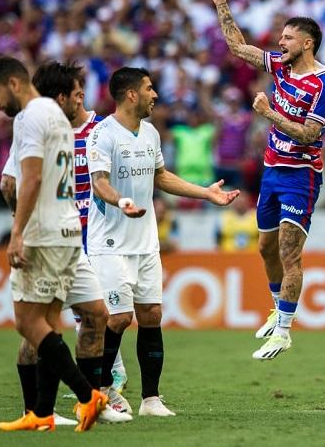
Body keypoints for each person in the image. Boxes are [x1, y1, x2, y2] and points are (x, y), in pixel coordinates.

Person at [88, 67, 239, 417]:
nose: (155, 95)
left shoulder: (151, 133)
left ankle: (151, 400)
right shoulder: (102, 135)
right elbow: (99, 182)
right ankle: (98, 395)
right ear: (131, 95)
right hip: (110, 243)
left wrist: (205, 193)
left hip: (145, 243)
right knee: (119, 317)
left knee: (152, 314)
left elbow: (161, 176)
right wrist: (120, 201)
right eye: (149, 88)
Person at [209, 0, 325, 360]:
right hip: (271, 171)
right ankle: (276, 307)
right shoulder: (280, 65)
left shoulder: (323, 86)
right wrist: (222, 4)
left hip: (301, 175)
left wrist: (268, 114)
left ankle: (284, 330)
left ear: (307, 43)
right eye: (280, 37)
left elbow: (310, 133)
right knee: (265, 247)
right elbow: (238, 47)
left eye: (288, 38)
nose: (280, 43)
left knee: (289, 251)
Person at [0, 61, 131, 424]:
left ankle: (81, 407)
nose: (82, 100)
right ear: (62, 97)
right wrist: (23, 228)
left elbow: (14, 184)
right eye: (77, 94)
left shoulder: (65, 125)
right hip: (48, 238)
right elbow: (11, 182)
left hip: (71, 237)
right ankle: (47, 407)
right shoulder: (36, 123)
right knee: (37, 324)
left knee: (93, 315)